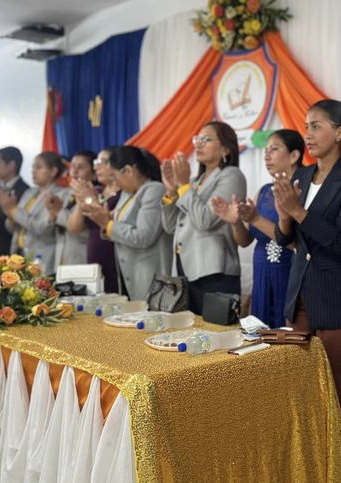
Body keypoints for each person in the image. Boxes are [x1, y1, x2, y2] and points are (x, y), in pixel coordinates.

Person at [273, 99, 341, 478]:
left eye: (316, 126)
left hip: (340, 304)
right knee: (300, 395)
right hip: (300, 300)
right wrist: (284, 218)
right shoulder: (300, 176)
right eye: (306, 126)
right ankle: (311, 480)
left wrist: (298, 212)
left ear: (340, 132)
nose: (309, 134)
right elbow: (287, 241)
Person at [211, 129, 304, 328]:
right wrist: (235, 222)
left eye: (274, 149)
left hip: (290, 274)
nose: (266, 156)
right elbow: (244, 241)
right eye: (265, 151)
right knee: (261, 336)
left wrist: (257, 219)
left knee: (288, 336)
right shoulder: (264, 191)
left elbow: (300, 243)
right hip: (262, 274)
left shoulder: (302, 191)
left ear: (294, 156)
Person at [162, 122, 247, 314]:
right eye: (197, 139)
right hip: (185, 269)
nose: (199, 144)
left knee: (215, 331)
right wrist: (171, 192)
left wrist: (184, 186)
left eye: (207, 139)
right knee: (188, 329)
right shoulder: (194, 182)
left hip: (214, 271)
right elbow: (170, 226)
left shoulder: (231, 176)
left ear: (226, 149)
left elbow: (205, 220)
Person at [81, 147, 169, 301]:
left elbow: (144, 236)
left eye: (114, 176)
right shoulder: (127, 193)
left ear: (128, 171)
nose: (115, 183)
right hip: (127, 272)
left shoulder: (153, 190)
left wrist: (108, 224)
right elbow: (118, 224)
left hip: (150, 274)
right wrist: (104, 219)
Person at [0, 152, 64, 274]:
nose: (33, 171)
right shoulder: (29, 193)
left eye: (38, 167)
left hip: (42, 258)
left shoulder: (60, 195)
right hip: (19, 254)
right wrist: (10, 216)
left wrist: (13, 210)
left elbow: (43, 229)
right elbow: (11, 227)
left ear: (53, 171)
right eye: (33, 167)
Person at [66, 146, 121, 293]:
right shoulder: (96, 191)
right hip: (94, 258)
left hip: (115, 256)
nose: (97, 167)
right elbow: (73, 228)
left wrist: (89, 198)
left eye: (103, 162)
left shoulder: (123, 194)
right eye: (97, 162)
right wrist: (82, 199)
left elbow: (105, 219)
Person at [49, 150, 94, 267]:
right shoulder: (65, 194)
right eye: (72, 166)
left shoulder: (95, 196)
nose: (75, 171)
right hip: (60, 258)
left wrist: (59, 213)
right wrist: (53, 215)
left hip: (82, 259)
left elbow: (85, 231)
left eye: (81, 167)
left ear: (93, 174)